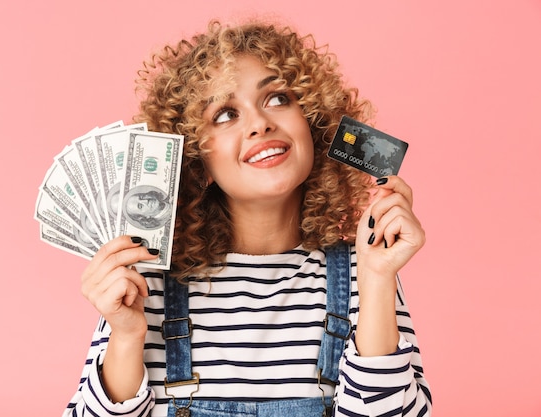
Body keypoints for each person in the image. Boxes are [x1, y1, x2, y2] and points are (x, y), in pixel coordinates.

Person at [64, 19, 432, 417]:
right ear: (194, 158)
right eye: (224, 114)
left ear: (314, 123)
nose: (260, 124)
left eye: (277, 98)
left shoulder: (367, 270)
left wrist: (377, 282)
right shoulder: (148, 280)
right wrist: (127, 334)